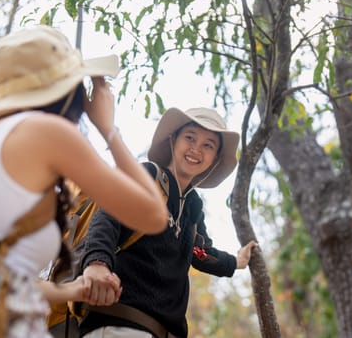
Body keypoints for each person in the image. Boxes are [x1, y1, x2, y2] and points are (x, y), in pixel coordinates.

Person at [0, 25, 167, 337]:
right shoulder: (45, 132)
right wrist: (108, 128)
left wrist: (74, 291)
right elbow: (152, 215)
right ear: (71, 90)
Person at [80, 107, 259, 338]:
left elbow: (199, 252)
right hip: (121, 324)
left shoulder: (193, 207)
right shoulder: (148, 176)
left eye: (208, 145)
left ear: (214, 159)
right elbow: (108, 216)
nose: (196, 149)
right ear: (173, 139)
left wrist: (236, 261)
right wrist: (96, 263)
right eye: (190, 137)